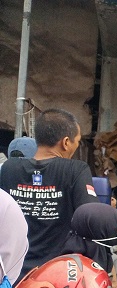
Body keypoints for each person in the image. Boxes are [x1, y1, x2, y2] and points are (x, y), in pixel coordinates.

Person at [0, 109, 98, 276]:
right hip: (55, 277)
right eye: (77, 141)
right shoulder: (76, 170)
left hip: (12, 274)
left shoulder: (9, 169)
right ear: (66, 142)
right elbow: (91, 219)